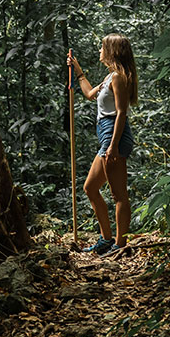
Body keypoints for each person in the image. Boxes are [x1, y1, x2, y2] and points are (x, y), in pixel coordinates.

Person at [66, 33, 138, 255]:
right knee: (90, 188)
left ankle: (119, 245)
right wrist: (78, 72)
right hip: (106, 136)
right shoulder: (109, 77)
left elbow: (121, 113)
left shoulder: (118, 77)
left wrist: (113, 145)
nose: (99, 50)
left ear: (111, 51)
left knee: (119, 195)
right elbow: (89, 94)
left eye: (102, 47)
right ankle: (106, 239)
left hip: (113, 136)